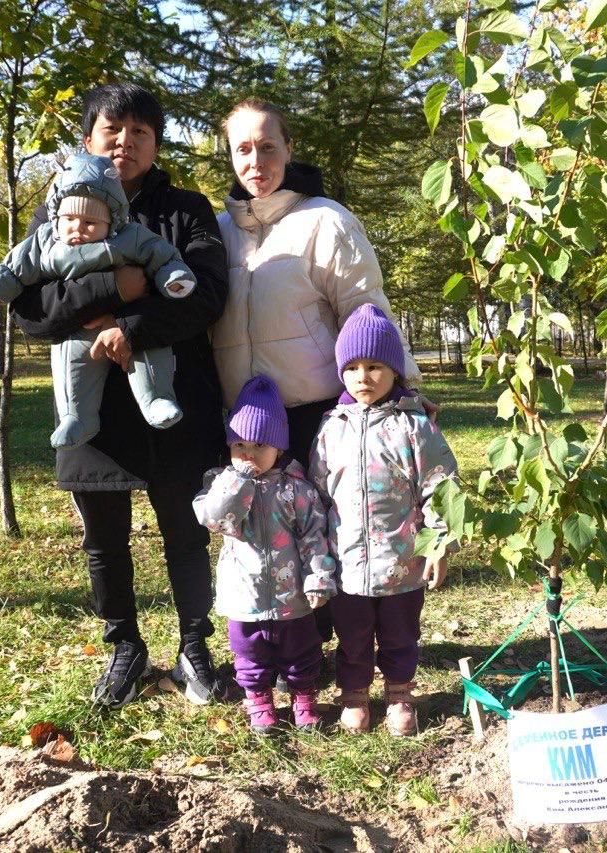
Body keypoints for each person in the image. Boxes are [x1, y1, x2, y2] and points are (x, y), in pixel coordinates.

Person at [10, 83, 228, 708]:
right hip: (91, 412)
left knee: (185, 533)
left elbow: (208, 295)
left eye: (140, 132)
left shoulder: (188, 210)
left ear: (156, 144)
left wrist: (127, 329)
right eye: (113, 130)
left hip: (172, 398)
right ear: (89, 139)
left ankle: (194, 646)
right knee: (103, 540)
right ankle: (125, 649)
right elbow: (33, 308)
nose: (125, 142)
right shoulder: (56, 209)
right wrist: (121, 287)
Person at [213, 97, 423, 644]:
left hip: (316, 411)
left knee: (322, 531)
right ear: (230, 156)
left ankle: (341, 643)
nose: (256, 160)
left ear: (288, 149)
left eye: (267, 146)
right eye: (242, 149)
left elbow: (365, 310)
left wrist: (405, 389)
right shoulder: (219, 231)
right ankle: (286, 648)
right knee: (262, 538)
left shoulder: (326, 220)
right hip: (249, 425)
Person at [308, 304, 459, 736]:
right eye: (352, 367)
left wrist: (438, 545)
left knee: (400, 635)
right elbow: (318, 495)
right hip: (347, 564)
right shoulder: (330, 427)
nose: (363, 377)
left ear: (394, 370)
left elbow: (440, 489)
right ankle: (354, 694)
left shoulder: (414, 427)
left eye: (375, 366)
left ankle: (399, 694)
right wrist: (317, 555)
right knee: (352, 637)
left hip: (403, 562)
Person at [0, 151, 194, 447]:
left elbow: (161, 255)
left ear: (111, 222)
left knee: (149, 354)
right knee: (70, 365)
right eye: (68, 219)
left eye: (90, 222)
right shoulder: (44, 241)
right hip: (76, 329)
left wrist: (173, 277)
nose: (77, 228)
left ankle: (156, 400)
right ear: (56, 216)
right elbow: (17, 266)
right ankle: (76, 418)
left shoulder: (128, 236)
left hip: (133, 323)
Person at [192, 375, 337, 735]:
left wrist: (318, 577)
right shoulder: (221, 482)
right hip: (244, 597)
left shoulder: (296, 489)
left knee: (303, 653)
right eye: (238, 444)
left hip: (294, 598)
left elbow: (314, 537)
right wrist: (238, 480)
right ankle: (259, 703)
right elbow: (214, 519)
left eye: (259, 444)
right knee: (249, 657)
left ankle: (304, 702)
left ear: (279, 448)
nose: (248, 454)